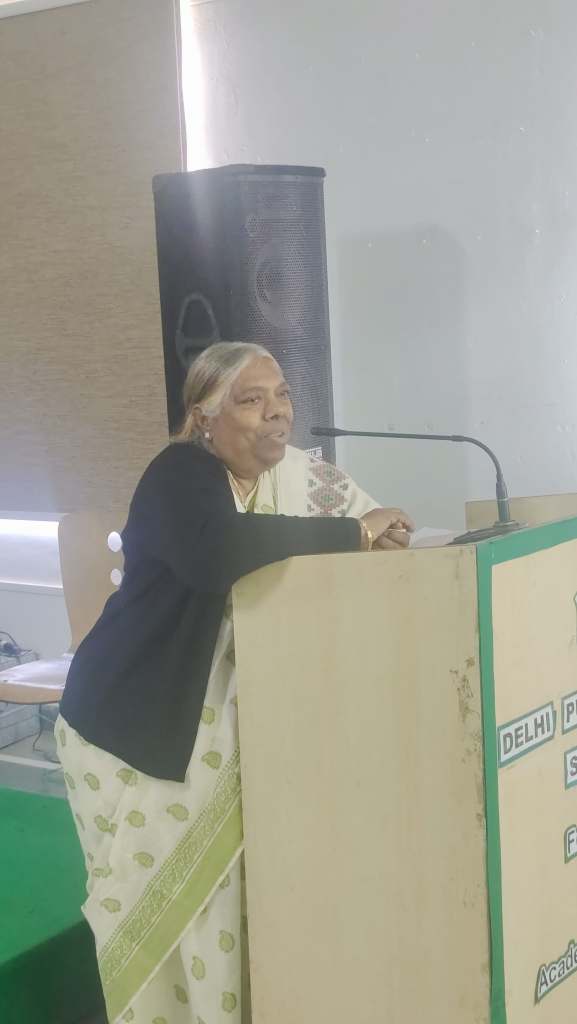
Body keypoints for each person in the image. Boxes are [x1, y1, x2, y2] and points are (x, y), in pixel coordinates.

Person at [57, 341, 413, 1024]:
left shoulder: (299, 479)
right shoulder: (180, 473)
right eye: (251, 400)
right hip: (133, 725)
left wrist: (383, 536)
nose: (276, 412)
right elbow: (218, 552)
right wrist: (354, 535)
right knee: (157, 906)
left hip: (217, 726)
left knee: (227, 904)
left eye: (281, 395)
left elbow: (368, 524)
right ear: (203, 419)